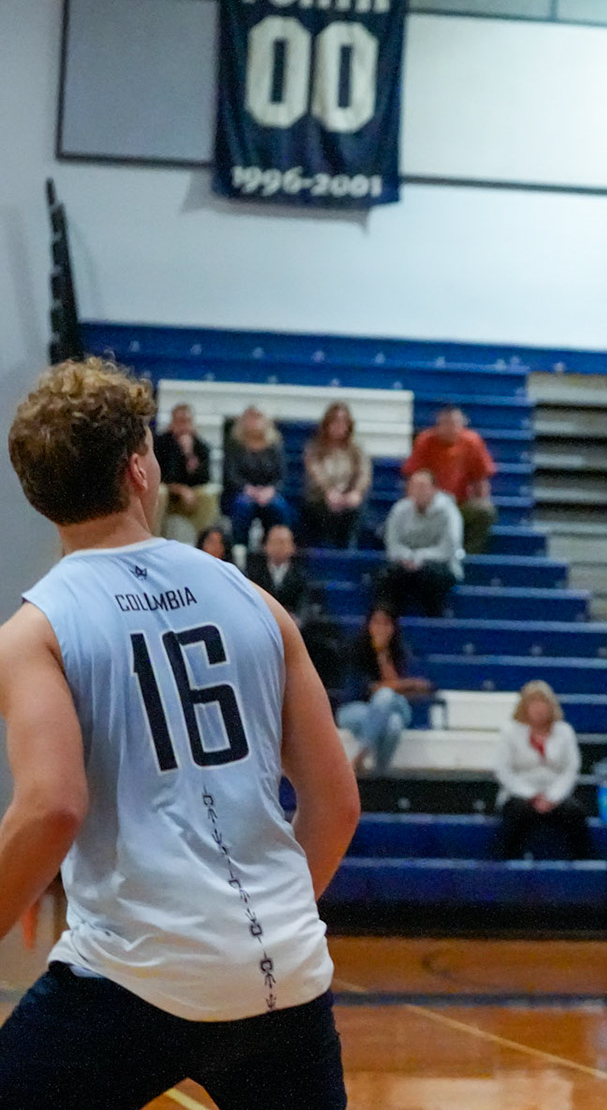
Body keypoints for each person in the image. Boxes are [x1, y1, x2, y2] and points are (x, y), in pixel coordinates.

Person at [0, 358, 358, 1107]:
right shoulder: (255, 599)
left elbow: (51, 807)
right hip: (286, 977)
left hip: (134, 977)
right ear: (138, 470)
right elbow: (335, 804)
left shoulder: (34, 632)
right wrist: (254, 931)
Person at [493, 681, 593, 861]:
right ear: (524, 707)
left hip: (556, 794)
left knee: (575, 812)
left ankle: (583, 867)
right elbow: (503, 770)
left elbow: (571, 769)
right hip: (519, 794)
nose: (539, 708)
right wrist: (531, 795)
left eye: (543, 703)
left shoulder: (565, 731)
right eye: (533, 703)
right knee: (517, 812)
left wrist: (552, 797)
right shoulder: (509, 732)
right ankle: (507, 867)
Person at [336, 606, 434, 777]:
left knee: (386, 698)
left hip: (395, 706)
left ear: (393, 627)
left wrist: (384, 655)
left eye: (386, 623)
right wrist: (405, 684)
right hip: (356, 708)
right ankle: (381, 772)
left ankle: (362, 754)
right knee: (393, 724)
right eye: (376, 623)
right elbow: (368, 688)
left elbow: (422, 686)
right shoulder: (357, 650)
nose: (381, 628)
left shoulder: (402, 652)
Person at [402, 406, 497, 554]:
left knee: (485, 511)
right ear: (438, 425)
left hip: (460, 505)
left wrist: (481, 499)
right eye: (446, 423)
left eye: (455, 423)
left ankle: (468, 554)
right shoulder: (425, 441)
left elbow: (481, 479)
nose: (451, 428)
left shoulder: (472, 442)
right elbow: (413, 477)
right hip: (431, 506)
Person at [376, 469, 463, 618]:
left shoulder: (449, 511)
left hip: (440, 565)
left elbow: (448, 548)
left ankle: (434, 620)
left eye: (422, 486)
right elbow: (393, 544)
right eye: (413, 486)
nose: (418, 491)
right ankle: (388, 620)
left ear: (434, 489)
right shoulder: (399, 509)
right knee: (387, 575)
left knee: (432, 577)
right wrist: (407, 557)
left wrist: (419, 557)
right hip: (405, 563)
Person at [223, 404, 296, 546]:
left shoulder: (275, 445)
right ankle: (240, 549)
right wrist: (248, 489)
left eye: (258, 417)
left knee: (279, 508)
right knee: (242, 507)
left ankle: (274, 548)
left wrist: (270, 490)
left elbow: (281, 476)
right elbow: (231, 474)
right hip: (243, 491)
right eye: (251, 418)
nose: (254, 422)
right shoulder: (235, 444)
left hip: (268, 493)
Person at [302, 400, 370, 550]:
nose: (339, 426)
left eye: (343, 422)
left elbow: (364, 473)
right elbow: (315, 473)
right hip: (320, 497)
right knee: (322, 509)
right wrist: (329, 491)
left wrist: (356, 492)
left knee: (355, 508)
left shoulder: (356, 450)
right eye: (335, 422)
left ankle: (348, 550)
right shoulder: (314, 449)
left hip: (347, 495)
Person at [153, 401, 219, 541]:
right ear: (172, 423)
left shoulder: (201, 447)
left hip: (190, 497)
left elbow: (205, 478)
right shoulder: (160, 444)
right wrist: (179, 489)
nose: (184, 427)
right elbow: (161, 476)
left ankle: (205, 543)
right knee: (159, 492)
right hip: (168, 494)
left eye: (187, 421)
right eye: (180, 422)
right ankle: (153, 539)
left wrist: (189, 455)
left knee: (207, 494)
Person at [244, 523, 317, 623]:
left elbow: (304, 604)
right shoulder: (254, 574)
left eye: (283, 542)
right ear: (265, 546)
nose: (278, 547)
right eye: (274, 542)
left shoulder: (301, 575)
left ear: (293, 547)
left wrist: (296, 620)